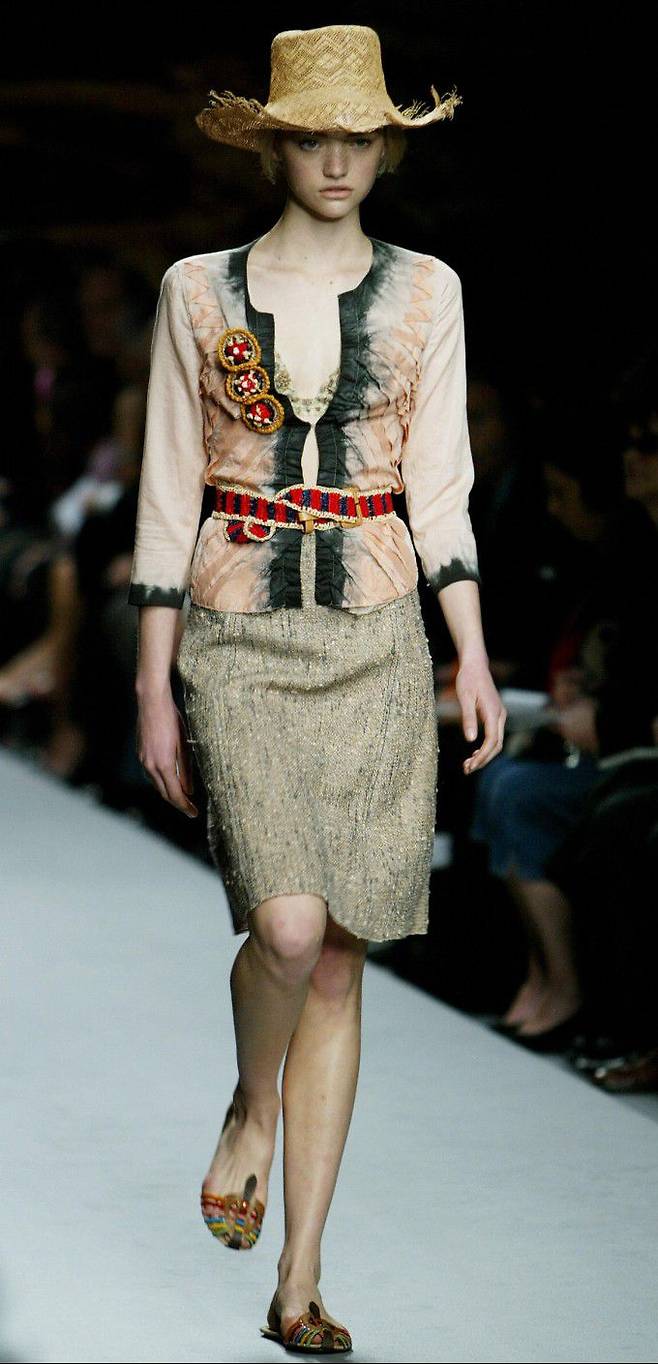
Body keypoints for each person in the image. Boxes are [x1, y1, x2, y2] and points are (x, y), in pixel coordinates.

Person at [128, 24, 506, 1354]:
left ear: (385, 149)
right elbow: (165, 488)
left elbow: (441, 484)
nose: (337, 160)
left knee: (340, 955)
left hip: (376, 635)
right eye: (312, 137)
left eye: (360, 137)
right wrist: (153, 683)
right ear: (274, 147)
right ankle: (251, 1103)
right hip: (236, 630)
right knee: (286, 931)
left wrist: (469, 647)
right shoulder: (196, 292)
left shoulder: (426, 293)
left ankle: (299, 1279)